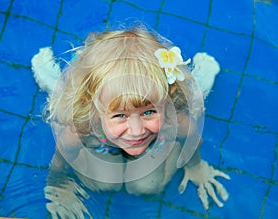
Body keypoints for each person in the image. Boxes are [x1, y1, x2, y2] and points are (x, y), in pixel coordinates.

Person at [38, 27, 230, 219]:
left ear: (166, 99)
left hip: (157, 138)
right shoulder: (82, 128)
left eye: (148, 111)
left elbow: (192, 136)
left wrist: (196, 166)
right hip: (102, 143)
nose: (137, 131)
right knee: (101, 181)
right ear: (94, 107)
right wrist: (58, 185)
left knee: (149, 184)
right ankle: (54, 82)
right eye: (120, 115)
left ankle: (198, 81)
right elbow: (61, 156)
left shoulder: (173, 119)